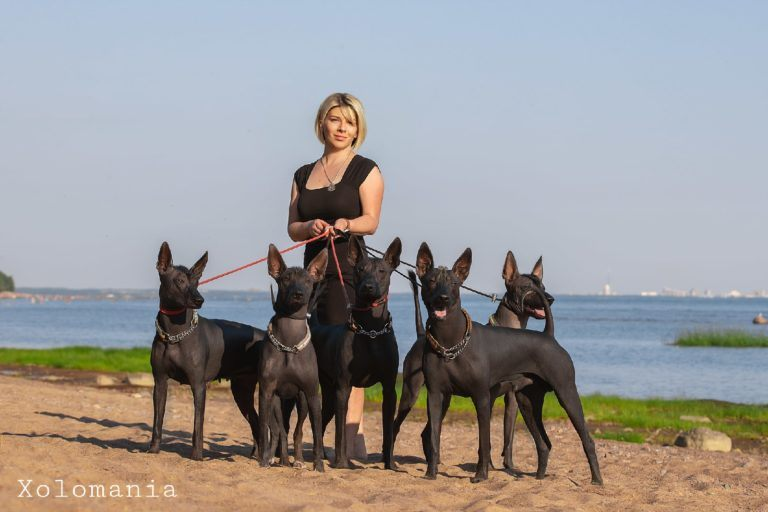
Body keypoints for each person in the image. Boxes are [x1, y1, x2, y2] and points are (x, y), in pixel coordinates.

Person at [287, 92, 384, 460]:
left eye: (350, 122)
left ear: (358, 128)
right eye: (336, 119)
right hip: (310, 276)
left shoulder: (366, 169)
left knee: (346, 353)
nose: (342, 128)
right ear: (322, 123)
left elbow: (371, 221)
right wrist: (309, 225)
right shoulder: (301, 173)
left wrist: (347, 223)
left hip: (349, 273)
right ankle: (316, 435)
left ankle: (352, 438)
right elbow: (292, 228)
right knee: (312, 351)